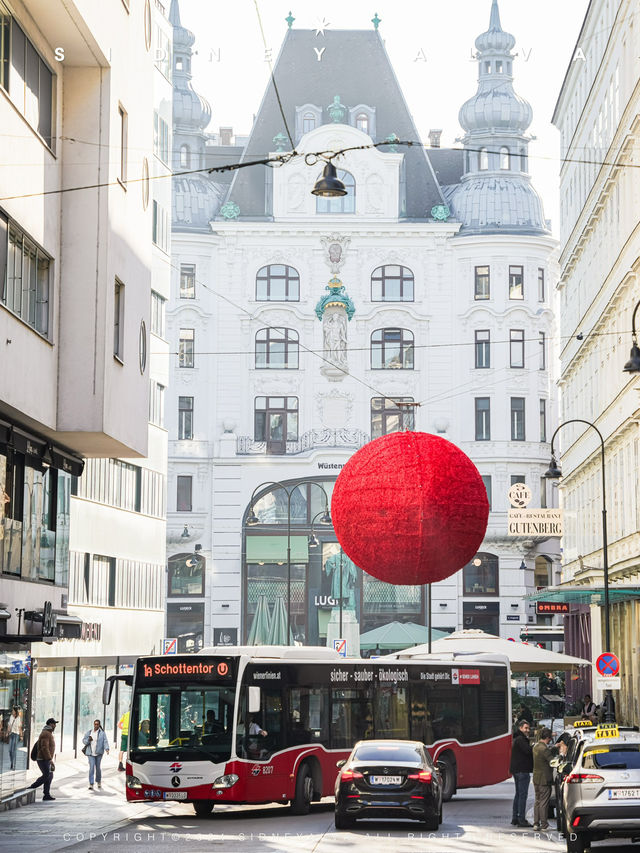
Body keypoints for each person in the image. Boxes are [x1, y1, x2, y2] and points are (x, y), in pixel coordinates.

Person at [509, 719, 533, 827]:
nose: (527, 730)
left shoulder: (517, 738)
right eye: (525, 728)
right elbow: (528, 751)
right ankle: (521, 819)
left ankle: (515, 817)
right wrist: (534, 746)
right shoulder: (521, 739)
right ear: (520, 728)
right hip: (522, 771)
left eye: (528, 728)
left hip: (517, 770)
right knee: (522, 795)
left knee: (518, 794)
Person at [532, 727, 555, 831]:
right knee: (544, 802)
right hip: (544, 779)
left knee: (537, 800)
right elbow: (552, 761)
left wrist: (554, 747)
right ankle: (544, 824)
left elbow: (544, 754)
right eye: (550, 738)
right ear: (548, 737)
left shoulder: (536, 747)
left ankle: (536, 823)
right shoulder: (545, 749)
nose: (550, 739)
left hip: (536, 777)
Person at [29, 717, 57, 801]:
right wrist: (49, 759)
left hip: (45, 758)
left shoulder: (48, 733)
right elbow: (44, 747)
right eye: (54, 724)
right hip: (43, 759)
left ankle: (46, 794)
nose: (55, 725)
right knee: (47, 775)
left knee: (50, 775)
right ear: (50, 724)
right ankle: (32, 787)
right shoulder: (46, 733)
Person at [83, 719, 109, 790]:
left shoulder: (102, 733)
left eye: (97, 724)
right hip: (90, 753)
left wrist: (107, 748)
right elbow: (84, 741)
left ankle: (98, 781)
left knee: (98, 768)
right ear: (93, 724)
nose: (96, 725)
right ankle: (91, 783)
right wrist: (88, 740)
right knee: (91, 767)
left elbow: (105, 741)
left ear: (99, 725)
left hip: (99, 753)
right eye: (95, 724)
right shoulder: (89, 732)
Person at [8, 706, 23, 770]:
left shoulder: (18, 718)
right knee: (10, 750)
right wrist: (7, 732)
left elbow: (19, 727)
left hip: (16, 735)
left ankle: (13, 764)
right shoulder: (11, 717)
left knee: (14, 750)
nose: (12, 711)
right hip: (11, 734)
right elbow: (9, 725)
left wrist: (21, 735)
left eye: (13, 710)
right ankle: (12, 762)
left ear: (15, 711)